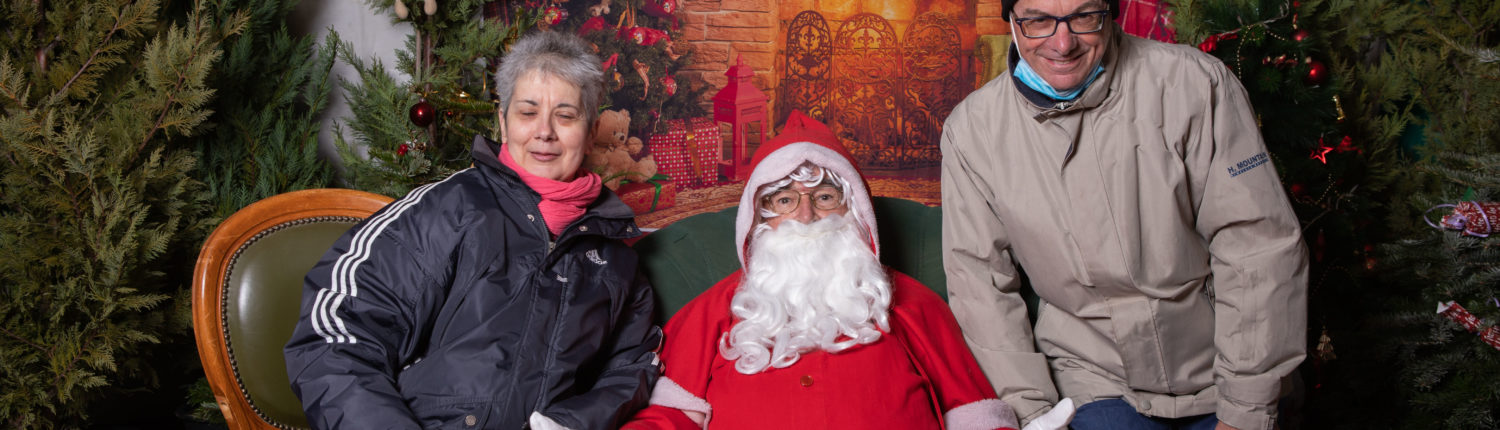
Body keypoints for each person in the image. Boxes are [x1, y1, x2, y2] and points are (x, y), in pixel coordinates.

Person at [939, 0, 1309, 429]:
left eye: (1083, 17)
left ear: (1109, 13)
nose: (1063, 43)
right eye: (1038, 21)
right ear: (1012, 22)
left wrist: (1245, 409)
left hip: (1220, 373)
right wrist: (1036, 415)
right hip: (1091, 383)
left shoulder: (1194, 83)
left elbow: (1257, 247)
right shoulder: (973, 132)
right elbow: (981, 286)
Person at [283, 31, 660, 430]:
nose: (545, 132)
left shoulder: (615, 254)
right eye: (527, 113)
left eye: (565, 116)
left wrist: (568, 424)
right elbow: (333, 337)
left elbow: (631, 366)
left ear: (591, 131)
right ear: (503, 122)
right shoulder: (444, 210)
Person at [624, 111, 1021, 430]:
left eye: (826, 197)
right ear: (758, 219)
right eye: (784, 200)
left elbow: (974, 413)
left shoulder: (912, 304)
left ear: (855, 212)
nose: (806, 215)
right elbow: (672, 415)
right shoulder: (715, 310)